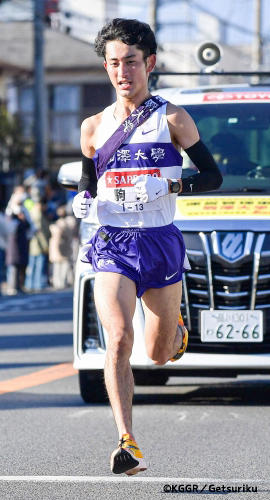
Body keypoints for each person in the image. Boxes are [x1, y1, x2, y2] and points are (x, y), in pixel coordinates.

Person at [72, 18, 222, 475]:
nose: (123, 73)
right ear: (106, 67)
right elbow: (86, 183)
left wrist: (170, 186)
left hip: (159, 241)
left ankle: (176, 326)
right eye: (114, 64)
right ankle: (127, 441)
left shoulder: (172, 117)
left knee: (158, 354)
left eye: (131, 63)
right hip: (113, 243)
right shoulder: (93, 127)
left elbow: (211, 177)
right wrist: (81, 199)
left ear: (150, 64)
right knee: (117, 339)